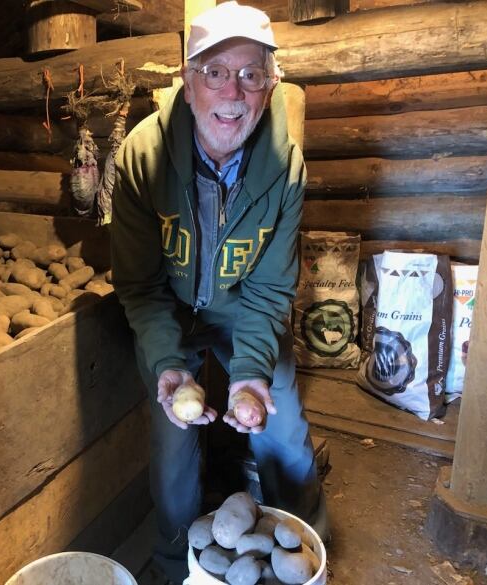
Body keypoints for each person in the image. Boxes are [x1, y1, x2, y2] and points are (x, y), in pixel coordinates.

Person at [110, 2, 327, 581]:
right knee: (173, 445)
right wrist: (166, 364)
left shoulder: (286, 168)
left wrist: (251, 371)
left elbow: (271, 287)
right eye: (215, 72)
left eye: (252, 74)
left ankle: (305, 559)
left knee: (284, 434)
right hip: (171, 313)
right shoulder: (140, 156)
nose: (233, 92)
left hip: (243, 310)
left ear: (270, 84)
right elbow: (140, 286)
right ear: (187, 80)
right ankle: (176, 565)